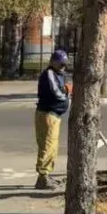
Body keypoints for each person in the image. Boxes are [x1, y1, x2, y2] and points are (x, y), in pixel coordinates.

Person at [34, 49, 70, 190]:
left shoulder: (59, 74)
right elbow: (56, 93)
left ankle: (46, 175)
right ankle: (43, 177)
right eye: (60, 64)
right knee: (48, 145)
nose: (63, 67)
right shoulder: (49, 74)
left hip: (54, 114)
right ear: (52, 62)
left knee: (52, 145)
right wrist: (67, 94)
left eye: (64, 64)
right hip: (48, 114)